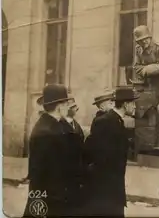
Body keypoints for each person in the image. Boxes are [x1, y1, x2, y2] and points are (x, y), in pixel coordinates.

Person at [85, 87, 139, 217]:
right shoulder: (105, 121)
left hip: (113, 186)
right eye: (133, 103)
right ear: (126, 104)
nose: (135, 107)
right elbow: (97, 155)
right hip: (105, 188)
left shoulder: (117, 120)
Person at [23, 85, 74, 217]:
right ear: (59, 106)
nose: (69, 107)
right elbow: (39, 174)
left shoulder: (57, 124)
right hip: (50, 198)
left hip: (59, 195)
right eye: (66, 103)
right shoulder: (45, 132)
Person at [59, 97, 86, 215]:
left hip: (77, 166)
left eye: (76, 107)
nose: (76, 109)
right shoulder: (60, 124)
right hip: (65, 167)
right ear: (68, 109)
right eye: (73, 107)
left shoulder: (76, 125)